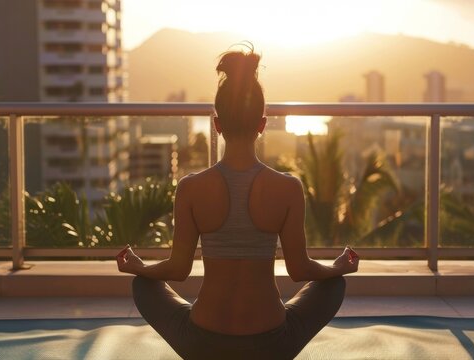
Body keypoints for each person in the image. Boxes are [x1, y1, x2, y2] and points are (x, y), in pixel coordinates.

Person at [116, 46, 360, 359]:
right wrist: (336, 267)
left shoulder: (191, 188)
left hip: (202, 343)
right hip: (272, 344)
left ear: (217, 125)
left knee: (142, 285)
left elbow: (178, 270)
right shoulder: (288, 188)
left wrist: (140, 267)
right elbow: (300, 269)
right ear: (263, 123)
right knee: (334, 285)